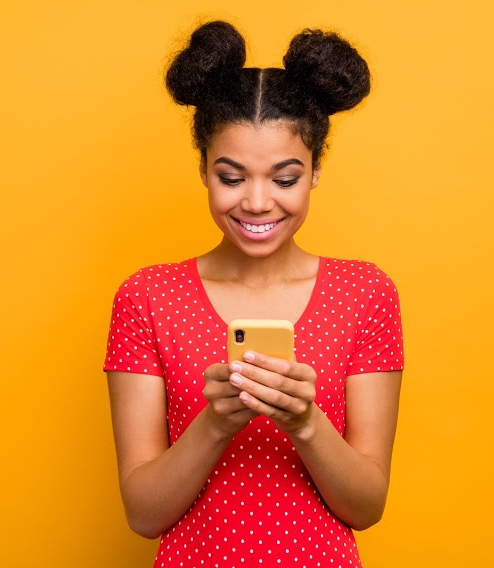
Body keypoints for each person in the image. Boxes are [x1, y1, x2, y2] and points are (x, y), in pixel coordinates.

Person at [103, 20, 404, 568]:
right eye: (232, 177)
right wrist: (215, 422)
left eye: (285, 179)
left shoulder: (366, 294)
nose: (258, 202)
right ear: (202, 170)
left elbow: (367, 506)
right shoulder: (146, 297)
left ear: (314, 172)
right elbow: (143, 516)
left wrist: (305, 424)